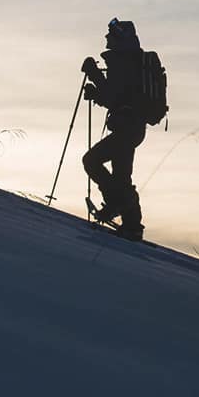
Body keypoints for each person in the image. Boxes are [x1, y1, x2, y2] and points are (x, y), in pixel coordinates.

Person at [81, 18, 147, 241]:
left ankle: (115, 204)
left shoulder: (123, 62)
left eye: (111, 35)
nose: (107, 38)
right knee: (122, 177)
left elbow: (113, 96)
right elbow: (119, 97)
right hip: (133, 128)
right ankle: (132, 225)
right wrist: (96, 90)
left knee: (91, 160)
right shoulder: (133, 61)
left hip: (126, 128)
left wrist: (93, 74)